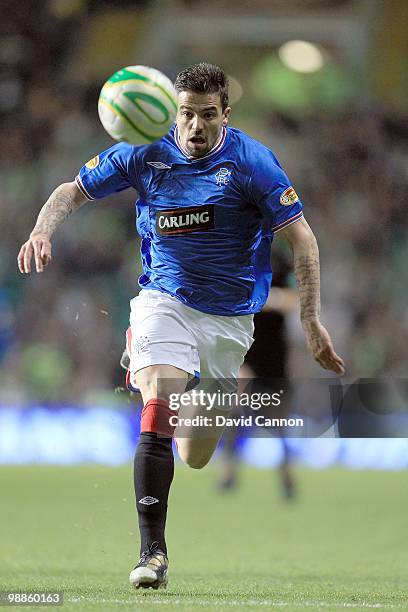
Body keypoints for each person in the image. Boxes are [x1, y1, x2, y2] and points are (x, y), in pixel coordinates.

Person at [18, 62, 345, 590]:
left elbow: (302, 239)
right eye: (186, 114)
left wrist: (310, 319)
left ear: (225, 113)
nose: (195, 127)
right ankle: (153, 553)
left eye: (207, 115)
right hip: (163, 300)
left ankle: (193, 410)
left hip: (231, 320)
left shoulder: (252, 162)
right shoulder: (143, 152)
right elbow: (70, 191)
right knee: (160, 399)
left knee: (194, 454)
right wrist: (41, 231)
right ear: (173, 111)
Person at [217, 245, 299, 497]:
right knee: (233, 413)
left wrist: (261, 299)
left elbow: (294, 300)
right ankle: (228, 473)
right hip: (246, 352)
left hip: (275, 357)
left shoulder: (282, 261)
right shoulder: (241, 256)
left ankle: (287, 476)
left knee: (278, 420)